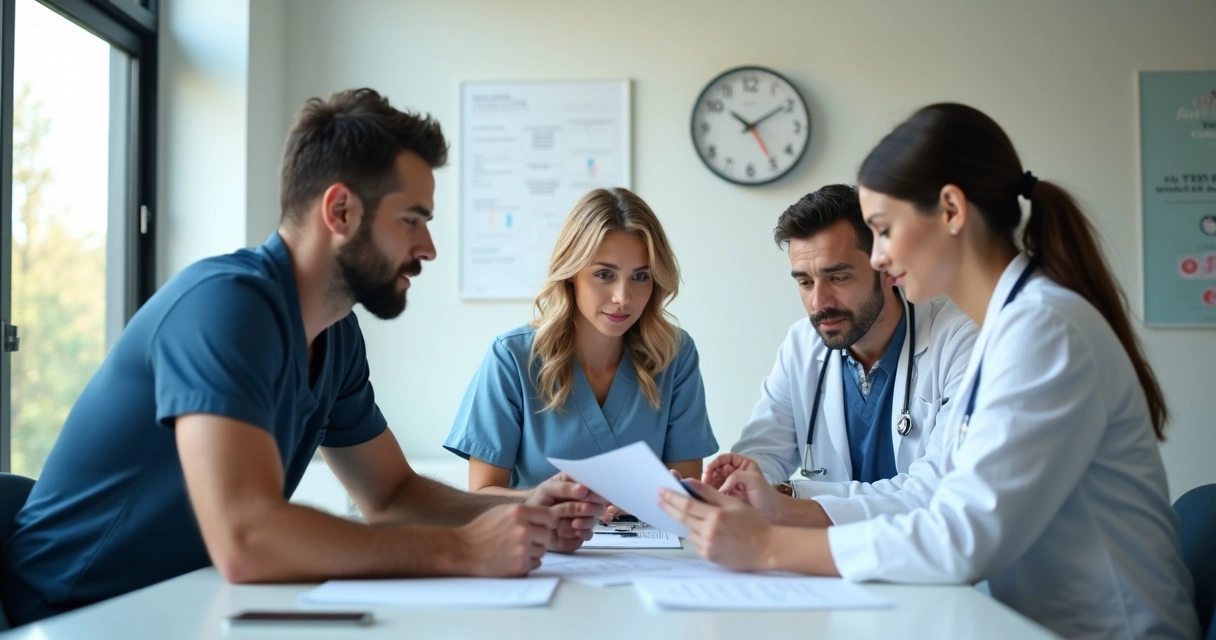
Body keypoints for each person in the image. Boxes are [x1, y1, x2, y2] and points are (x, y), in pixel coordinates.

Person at [1, 88, 604, 627]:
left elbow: (391, 495)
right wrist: (465, 550)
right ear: (340, 211)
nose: (429, 247)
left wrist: (527, 509)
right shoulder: (224, 307)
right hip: (73, 616)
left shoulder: (336, 334)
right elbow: (247, 537)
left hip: (185, 604)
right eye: (412, 219)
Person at [660, 103, 1199, 640]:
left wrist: (767, 544)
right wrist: (778, 511)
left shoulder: (1042, 330)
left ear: (950, 210)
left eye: (884, 230)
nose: (879, 257)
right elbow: (942, 499)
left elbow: (962, 535)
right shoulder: (1014, 326)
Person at [444, 187, 718, 512]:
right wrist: (558, 503)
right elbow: (482, 494)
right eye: (604, 274)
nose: (622, 297)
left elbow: (686, 490)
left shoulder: (675, 354)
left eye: (640, 277)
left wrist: (645, 503)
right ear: (572, 274)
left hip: (652, 551)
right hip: (543, 551)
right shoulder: (512, 358)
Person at [702, 185, 976, 495]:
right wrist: (740, 480)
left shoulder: (958, 340)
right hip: (829, 543)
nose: (819, 302)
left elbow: (938, 485)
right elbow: (762, 453)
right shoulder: (801, 345)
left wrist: (793, 496)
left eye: (838, 278)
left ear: (887, 269)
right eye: (805, 282)